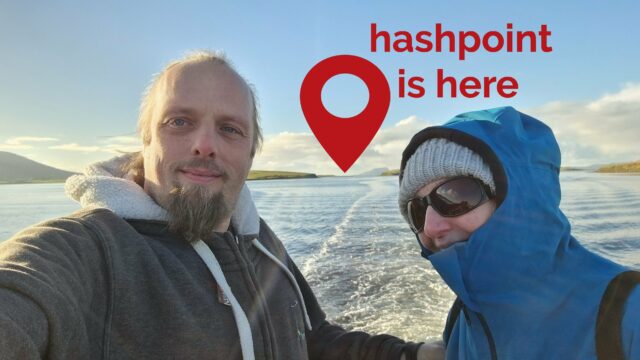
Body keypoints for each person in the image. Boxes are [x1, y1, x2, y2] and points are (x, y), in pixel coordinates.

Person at [0, 51, 443, 359]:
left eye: (230, 129)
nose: (205, 145)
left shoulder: (260, 241)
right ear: (146, 138)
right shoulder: (85, 251)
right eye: (180, 121)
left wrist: (415, 354)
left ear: (251, 153)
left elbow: (311, 340)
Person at [397, 106, 640, 359]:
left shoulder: (628, 313)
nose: (430, 227)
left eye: (456, 195)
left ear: (520, 198)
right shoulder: (462, 315)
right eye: (416, 210)